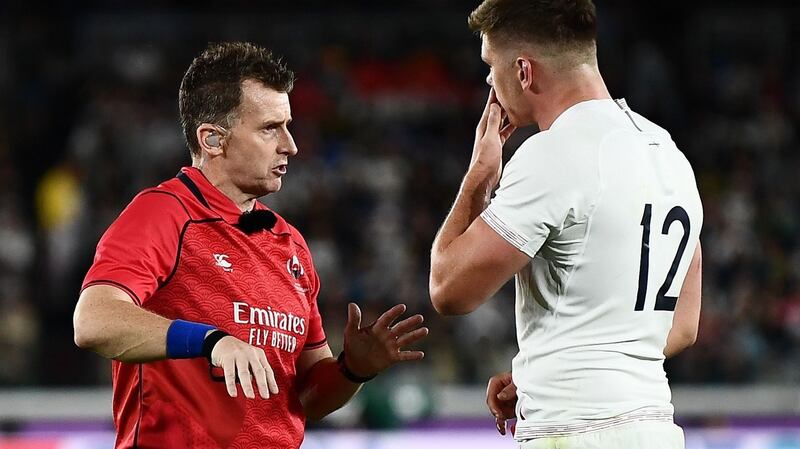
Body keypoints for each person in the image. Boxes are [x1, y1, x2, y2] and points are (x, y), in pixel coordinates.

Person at [73, 42, 428, 449]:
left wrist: (351, 371)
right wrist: (211, 341)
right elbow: (93, 321)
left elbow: (306, 399)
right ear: (212, 139)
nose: (290, 145)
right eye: (269, 128)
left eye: (288, 125)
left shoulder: (289, 244)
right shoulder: (163, 213)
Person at [429, 1, 702, 448]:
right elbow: (682, 325)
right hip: (657, 429)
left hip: (574, 432)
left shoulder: (554, 153)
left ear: (523, 71)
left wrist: (479, 177)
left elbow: (448, 289)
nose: (488, 82)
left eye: (490, 66)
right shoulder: (669, 154)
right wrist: (547, 368)